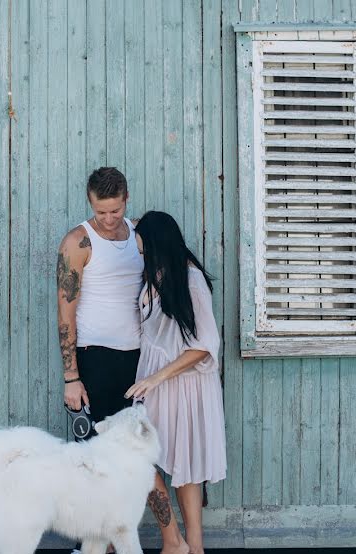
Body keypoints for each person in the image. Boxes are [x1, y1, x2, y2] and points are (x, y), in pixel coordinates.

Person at [125, 210, 227, 554]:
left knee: (186, 464)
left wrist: (156, 378)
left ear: (157, 246)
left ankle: (192, 547)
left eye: (143, 249)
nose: (140, 255)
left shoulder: (191, 280)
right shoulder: (157, 274)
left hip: (184, 385)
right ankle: (177, 542)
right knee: (141, 458)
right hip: (155, 383)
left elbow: (204, 346)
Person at [56, 166, 143, 430]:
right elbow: (65, 313)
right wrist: (72, 377)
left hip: (142, 357)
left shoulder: (140, 233)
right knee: (103, 452)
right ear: (90, 202)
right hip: (97, 357)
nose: (108, 219)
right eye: (100, 212)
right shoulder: (77, 241)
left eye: (115, 211)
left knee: (140, 449)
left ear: (126, 198)